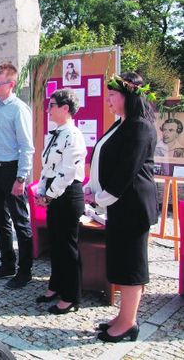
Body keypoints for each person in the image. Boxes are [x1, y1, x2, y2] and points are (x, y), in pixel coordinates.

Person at [84, 72, 158, 343]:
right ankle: (123, 316)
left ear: (128, 96)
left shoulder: (140, 126)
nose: (108, 101)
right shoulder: (123, 123)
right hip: (119, 205)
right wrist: (93, 189)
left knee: (132, 265)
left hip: (133, 206)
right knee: (120, 262)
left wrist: (100, 197)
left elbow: (127, 171)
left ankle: (128, 323)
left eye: (112, 95)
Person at [0, 62, 35, 289]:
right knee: (0, 221)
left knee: (20, 222)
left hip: (12, 170)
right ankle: (7, 264)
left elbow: (26, 147)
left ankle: (25, 271)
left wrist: (21, 177)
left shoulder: (19, 109)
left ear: (11, 84)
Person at [35, 89, 87, 314]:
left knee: (67, 248)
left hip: (67, 195)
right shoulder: (54, 133)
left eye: (52, 105)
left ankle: (71, 295)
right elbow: (47, 167)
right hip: (54, 195)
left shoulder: (73, 135)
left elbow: (67, 173)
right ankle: (55, 285)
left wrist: (49, 194)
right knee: (56, 245)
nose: (49, 109)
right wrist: (40, 190)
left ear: (65, 109)